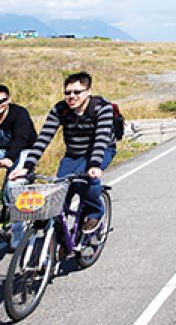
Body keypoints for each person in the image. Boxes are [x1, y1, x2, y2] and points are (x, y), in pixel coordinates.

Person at [11, 72, 116, 232]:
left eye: (77, 92)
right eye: (67, 92)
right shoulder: (60, 110)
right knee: (60, 191)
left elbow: (101, 139)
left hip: (101, 150)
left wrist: (94, 165)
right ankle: (60, 240)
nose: (71, 96)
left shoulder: (102, 107)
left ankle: (95, 213)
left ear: (89, 91)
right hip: (73, 153)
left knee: (87, 183)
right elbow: (43, 139)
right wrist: (26, 167)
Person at [0, 84, 37, 248]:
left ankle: (18, 233)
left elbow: (21, 139)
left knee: (13, 187)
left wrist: (9, 159)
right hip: (3, 150)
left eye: (3, 100)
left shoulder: (19, 114)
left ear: (9, 100)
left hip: (24, 150)